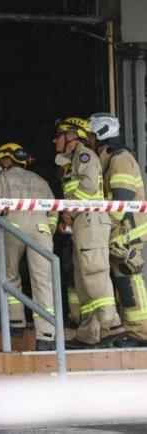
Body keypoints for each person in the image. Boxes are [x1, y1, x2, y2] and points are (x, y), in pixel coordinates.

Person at [54, 117, 124, 349]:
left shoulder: (85, 156)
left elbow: (89, 190)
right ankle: (90, 333)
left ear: (72, 136)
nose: (55, 140)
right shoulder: (73, 161)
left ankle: (110, 324)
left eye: (60, 135)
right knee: (83, 277)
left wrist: (69, 212)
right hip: (83, 224)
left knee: (94, 271)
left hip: (90, 222)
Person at [0, 143, 58, 351]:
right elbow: (54, 210)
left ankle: (16, 324)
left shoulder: (1, 179)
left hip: (12, 228)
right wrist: (47, 231)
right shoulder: (40, 181)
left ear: (8, 160)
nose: (0, 164)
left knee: (10, 276)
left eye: (1, 161)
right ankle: (47, 336)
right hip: (41, 230)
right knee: (43, 281)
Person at [89, 113, 147, 347]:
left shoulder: (120, 159)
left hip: (127, 233)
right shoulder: (109, 160)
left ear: (101, 134)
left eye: (91, 136)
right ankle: (131, 331)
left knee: (130, 280)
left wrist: (107, 227)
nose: (89, 141)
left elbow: (122, 199)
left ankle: (141, 333)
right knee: (122, 282)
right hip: (119, 232)